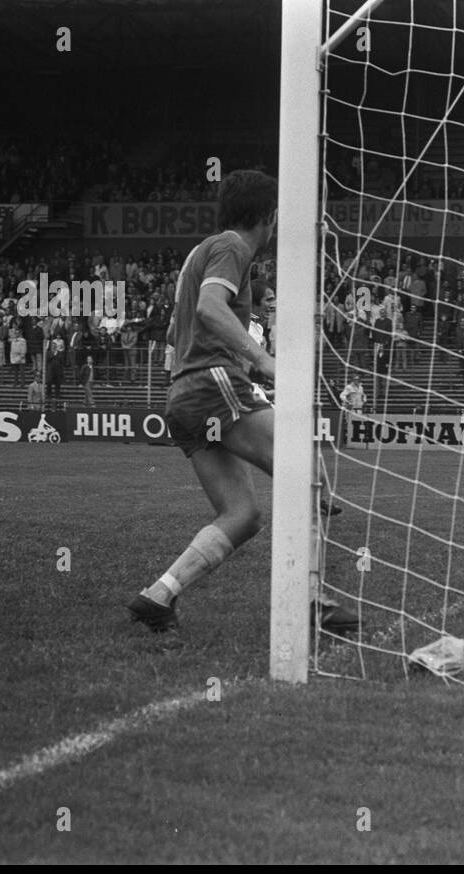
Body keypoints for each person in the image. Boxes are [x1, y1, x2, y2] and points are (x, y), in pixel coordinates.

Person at [127, 170, 280, 636]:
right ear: (267, 216)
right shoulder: (233, 247)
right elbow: (209, 310)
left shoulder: (202, 251)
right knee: (306, 469)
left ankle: (158, 596)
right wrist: (262, 358)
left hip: (183, 395)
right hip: (211, 384)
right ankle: (315, 599)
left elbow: (180, 331)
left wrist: (240, 358)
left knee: (243, 515)